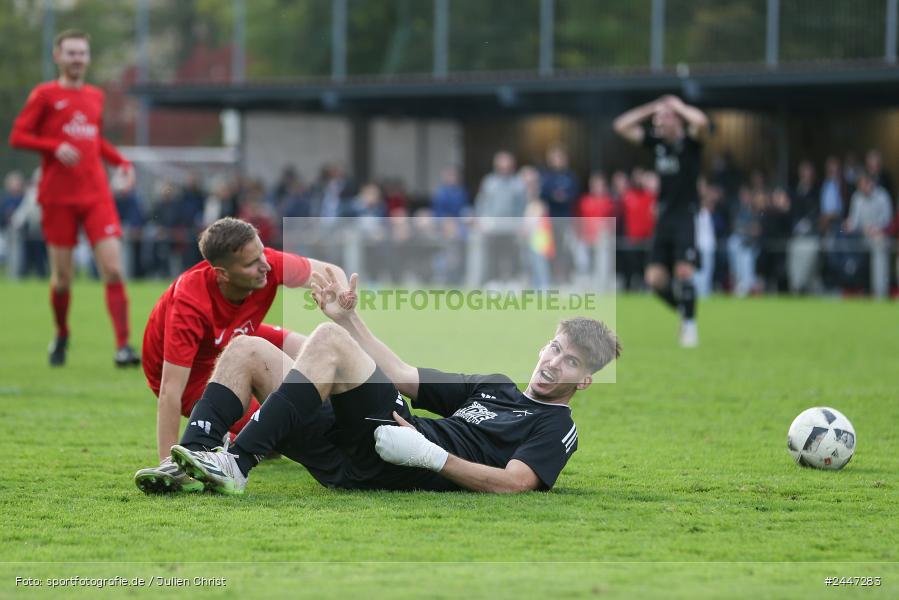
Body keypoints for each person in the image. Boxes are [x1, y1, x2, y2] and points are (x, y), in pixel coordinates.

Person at [136, 269, 619, 495]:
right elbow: (404, 376)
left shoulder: (557, 427)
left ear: (586, 381)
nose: (554, 363)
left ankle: (236, 464)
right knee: (246, 350)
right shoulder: (497, 386)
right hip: (352, 449)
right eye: (555, 348)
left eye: (571, 362)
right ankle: (193, 458)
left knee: (324, 340)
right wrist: (351, 321)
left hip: (394, 452)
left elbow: (516, 484)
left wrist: (432, 457)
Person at [135, 217, 348, 492]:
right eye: (251, 263)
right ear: (222, 273)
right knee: (278, 422)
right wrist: (169, 463)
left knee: (318, 351)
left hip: (237, 336)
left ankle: (359, 418)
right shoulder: (189, 303)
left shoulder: (266, 263)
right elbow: (170, 390)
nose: (266, 265)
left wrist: (341, 296)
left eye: (262, 253)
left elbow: (331, 271)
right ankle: (221, 442)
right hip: (193, 375)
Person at [8, 30, 139, 367]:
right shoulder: (45, 95)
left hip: (96, 195)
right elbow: (18, 135)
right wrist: (54, 146)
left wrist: (121, 162)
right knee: (63, 279)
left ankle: (123, 347)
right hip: (57, 198)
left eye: (82, 53)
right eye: (71, 53)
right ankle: (62, 333)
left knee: (112, 268)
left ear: (88, 57)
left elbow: (93, 140)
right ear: (58, 56)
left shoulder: (95, 96)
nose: (77, 59)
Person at [614, 95, 709, 346]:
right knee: (655, 280)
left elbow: (701, 121)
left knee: (683, 271)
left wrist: (677, 106)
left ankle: (689, 326)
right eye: (656, 119)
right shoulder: (657, 143)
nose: (657, 123)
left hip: (685, 215)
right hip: (664, 217)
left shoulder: (691, 142)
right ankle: (683, 308)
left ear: (676, 119)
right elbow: (621, 126)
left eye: (663, 118)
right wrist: (650, 108)